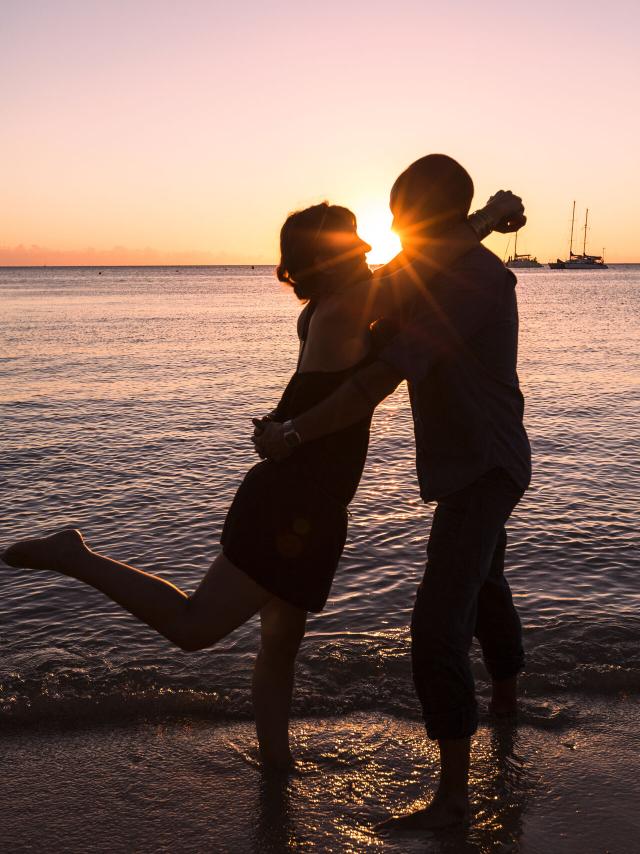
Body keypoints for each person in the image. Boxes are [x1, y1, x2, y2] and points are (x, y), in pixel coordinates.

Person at [1, 183, 523, 772]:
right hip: (293, 499)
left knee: (278, 647)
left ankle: (277, 764)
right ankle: (76, 556)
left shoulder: (333, 305)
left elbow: (406, 273)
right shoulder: (348, 305)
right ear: (328, 257)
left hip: (315, 499)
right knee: (194, 627)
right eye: (352, 241)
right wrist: (489, 215)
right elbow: (425, 266)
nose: (366, 247)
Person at [256, 154, 531, 825]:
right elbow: (395, 282)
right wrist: (491, 216)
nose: (394, 232)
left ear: (422, 219)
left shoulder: (466, 280)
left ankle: (454, 798)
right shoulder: (431, 266)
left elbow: (375, 382)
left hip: (484, 467)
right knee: (485, 583)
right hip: (470, 461)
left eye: (402, 217)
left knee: (438, 623)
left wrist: (294, 433)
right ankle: (506, 702)